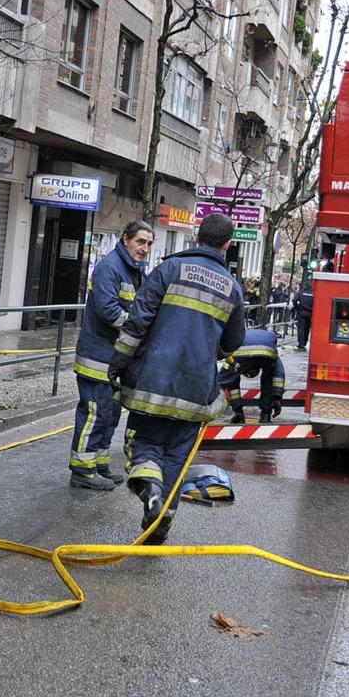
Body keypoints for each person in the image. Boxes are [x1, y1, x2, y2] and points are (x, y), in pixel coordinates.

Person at [108, 213, 246, 543]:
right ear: (227, 245)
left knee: (144, 447)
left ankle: (151, 492)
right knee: (175, 457)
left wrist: (118, 364)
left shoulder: (168, 270)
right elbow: (232, 342)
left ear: (196, 237)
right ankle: (160, 524)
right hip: (197, 390)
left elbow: (137, 323)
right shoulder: (233, 288)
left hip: (152, 382)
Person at [69, 221, 154, 490]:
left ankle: (99, 463)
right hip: (97, 357)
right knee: (94, 413)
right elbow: (109, 312)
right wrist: (142, 328)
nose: (145, 248)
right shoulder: (109, 268)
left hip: (115, 359)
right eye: (141, 242)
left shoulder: (134, 270)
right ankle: (82, 471)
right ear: (125, 239)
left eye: (149, 244)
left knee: (110, 414)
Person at [220, 328, 286, 424]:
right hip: (268, 349)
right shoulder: (271, 357)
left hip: (241, 350)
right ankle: (265, 416)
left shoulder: (233, 358)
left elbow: (222, 381)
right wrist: (276, 397)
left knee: (231, 379)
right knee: (268, 378)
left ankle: (239, 414)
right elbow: (279, 375)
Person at [294, 276, 315, 350]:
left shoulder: (301, 293)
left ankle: (301, 344)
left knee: (301, 328)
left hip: (301, 312)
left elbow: (295, 300)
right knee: (307, 328)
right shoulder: (314, 294)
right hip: (310, 313)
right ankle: (305, 342)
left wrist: (297, 308)